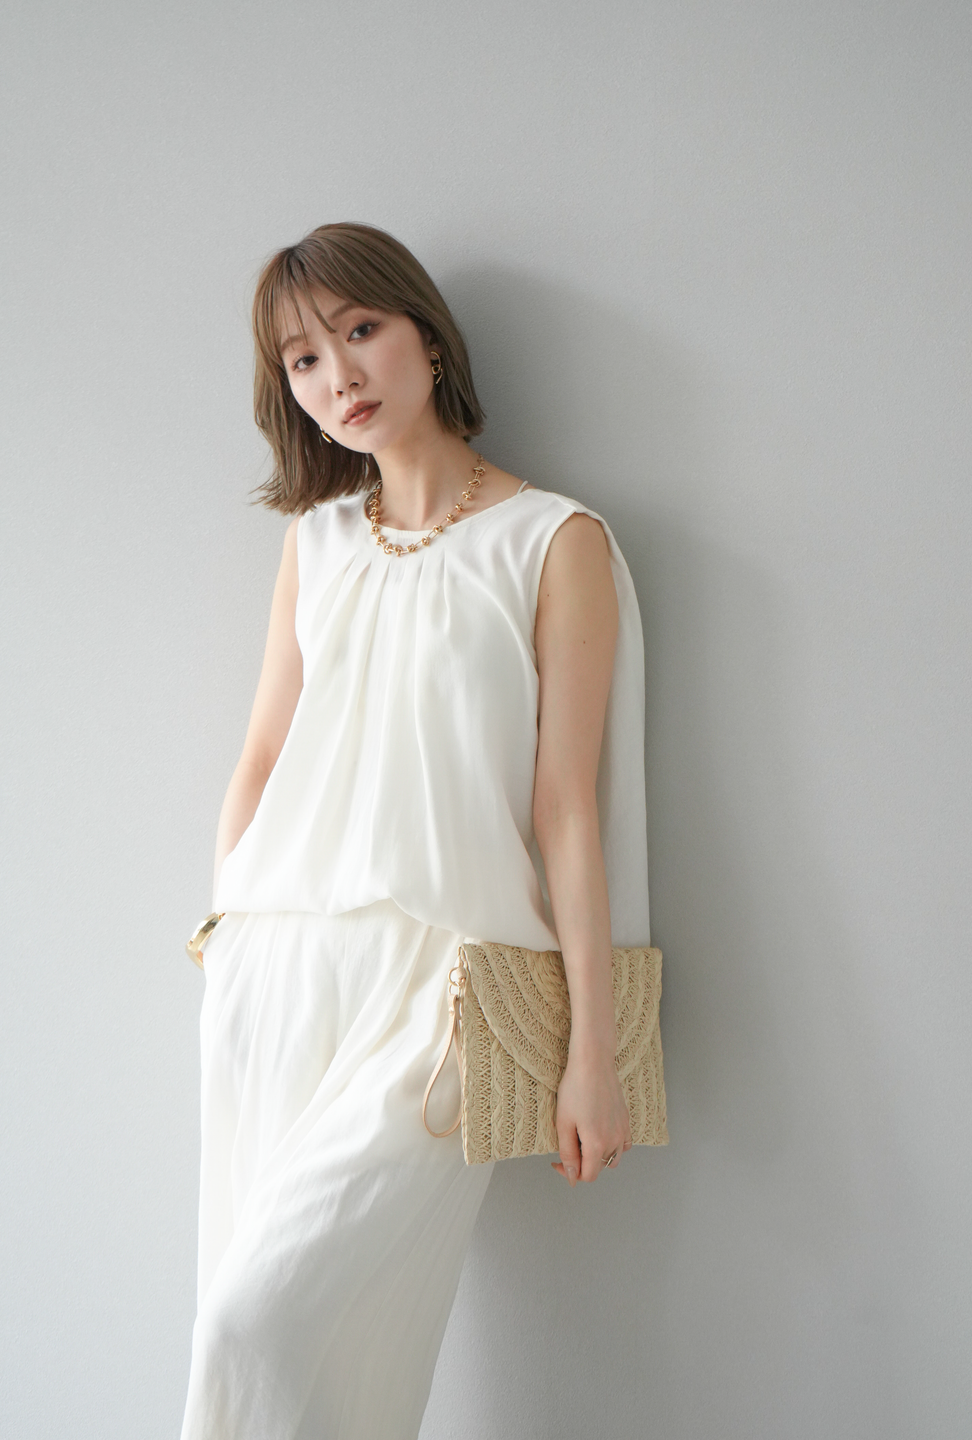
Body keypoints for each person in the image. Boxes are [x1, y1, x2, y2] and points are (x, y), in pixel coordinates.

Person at [180, 222, 651, 1439]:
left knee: (254, 1323)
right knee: (305, 1354)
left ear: (427, 338)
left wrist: (592, 1053)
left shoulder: (554, 541)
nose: (337, 375)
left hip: (446, 995)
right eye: (302, 359)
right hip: (278, 971)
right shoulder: (317, 544)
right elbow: (261, 758)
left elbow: (566, 806)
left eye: (360, 330)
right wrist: (226, 946)